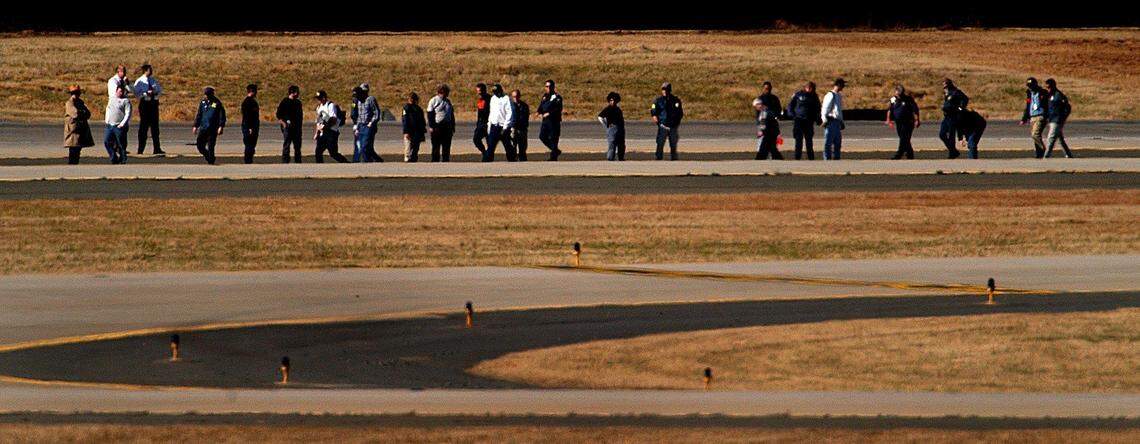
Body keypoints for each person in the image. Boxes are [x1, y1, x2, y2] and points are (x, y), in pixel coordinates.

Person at [132, 64, 164, 156]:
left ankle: (157, 148)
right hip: (145, 105)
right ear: (145, 71)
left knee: (155, 128)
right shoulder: (140, 81)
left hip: (153, 104)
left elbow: (159, 90)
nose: (151, 72)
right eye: (149, 70)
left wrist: (155, 93)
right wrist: (146, 93)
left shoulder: (153, 80)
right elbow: (137, 93)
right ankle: (140, 149)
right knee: (144, 127)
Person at [785, 81, 822, 160]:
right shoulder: (798, 95)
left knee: (809, 141)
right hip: (799, 121)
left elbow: (818, 108)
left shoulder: (814, 97)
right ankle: (797, 158)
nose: (812, 90)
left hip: (809, 122)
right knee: (799, 141)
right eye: (811, 88)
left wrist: (818, 118)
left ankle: (811, 158)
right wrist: (793, 116)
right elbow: (790, 106)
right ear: (807, 87)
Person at [192, 86, 225, 165]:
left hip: (212, 128)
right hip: (203, 127)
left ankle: (211, 161)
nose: (206, 96)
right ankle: (208, 155)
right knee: (200, 145)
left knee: (211, 146)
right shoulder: (203, 103)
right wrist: (195, 126)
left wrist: (221, 126)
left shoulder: (216, 103)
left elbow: (222, 115)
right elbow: (199, 114)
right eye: (206, 95)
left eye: (208, 94)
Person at [313, 90, 349, 163]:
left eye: (319, 98)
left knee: (333, 153)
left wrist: (325, 127)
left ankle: (346, 163)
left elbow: (333, 119)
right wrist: (317, 133)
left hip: (331, 132)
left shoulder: (330, 105)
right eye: (317, 98)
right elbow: (318, 121)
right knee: (318, 152)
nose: (318, 100)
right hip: (322, 133)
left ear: (324, 98)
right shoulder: (318, 108)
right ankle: (319, 168)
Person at [651, 82, 683, 160]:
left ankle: (674, 158)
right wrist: (655, 118)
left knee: (673, 144)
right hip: (663, 125)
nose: (664, 91)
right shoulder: (658, 101)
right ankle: (658, 157)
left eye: (666, 89)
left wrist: (677, 122)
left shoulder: (675, 100)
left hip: (673, 126)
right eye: (663, 89)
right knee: (660, 143)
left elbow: (680, 112)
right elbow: (653, 110)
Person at [886, 85, 920, 160]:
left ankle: (899, 153)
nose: (899, 95)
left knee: (904, 138)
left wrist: (917, 120)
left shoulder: (908, 99)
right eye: (898, 93)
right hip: (898, 122)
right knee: (904, 138)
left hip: (908, 122)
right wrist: (889, 120)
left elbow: (915, 110)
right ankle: (910, 153)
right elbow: (890, 110)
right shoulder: (893, 99)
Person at [1042, 78, 1074, 158]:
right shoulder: (1049, 96)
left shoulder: (1058, 95)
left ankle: (1046, 156)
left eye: (1049, 87)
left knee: (1051, 138)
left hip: (1057, 120)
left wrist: (1063, 118)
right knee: (1060, 139)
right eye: (1046, 87)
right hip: (1052, 119)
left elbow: (1068, 108)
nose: (1048, 89)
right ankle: (1068, 154)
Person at [484, 83, 515, 162]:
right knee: (490, 146)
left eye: (497, 92)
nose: (496, 94)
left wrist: (506, 126)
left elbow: (509, 113)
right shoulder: (493, 99)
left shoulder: (506, 99)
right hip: (494, 126)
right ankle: (487, 162)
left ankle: (512, 160)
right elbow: (491, 112)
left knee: (507, 146)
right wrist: (489, 125)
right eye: (494, 92)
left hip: (503, 126)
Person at [64, 85, 94, 165]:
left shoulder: (80, 102)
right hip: (73, 130)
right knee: (73, 148)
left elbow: (88, 113)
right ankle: (72, 164)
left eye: (77, 93)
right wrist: (82, 113)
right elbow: (75, 114)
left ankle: (74, 163)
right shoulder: (69, 103)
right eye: (75, 93)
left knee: (77, 148)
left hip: (81, 129)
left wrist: (82, 113)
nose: (77, 94)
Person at [351, 84, 382, 162]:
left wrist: (371, 123)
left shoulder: (370, 99)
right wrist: (356, 127)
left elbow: (376, 113)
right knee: (364, 148)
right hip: (360, 126)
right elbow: (358, 115)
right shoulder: (357, 101)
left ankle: (368, 162)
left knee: (365, 146)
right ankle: (374, 161)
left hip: (368, 126)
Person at [1020, 77, 1049, 158]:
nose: (1030, 87)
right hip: (1032, 117)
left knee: (1035, 134)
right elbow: (1028, 106)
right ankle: (1039, 153)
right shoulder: (1029, 94)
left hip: (1040, 116)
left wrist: (1048, 115)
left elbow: (1047, 105)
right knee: (1035, 136)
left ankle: (1043, 150)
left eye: (1031, 85)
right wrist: (1024, 118)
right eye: (1029, 86)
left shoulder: (1042, 93)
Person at [939, 79, 967, 159]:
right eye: (944, 86)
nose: (944, 88)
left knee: (951, 135)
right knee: (942, 134)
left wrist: (960, 108)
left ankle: (952, 153)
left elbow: (965, 99)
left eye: (946, 86)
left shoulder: (956, 92)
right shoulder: (946, 93)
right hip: (946, 116)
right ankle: (953, 150)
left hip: (953, 116)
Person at [103, 84, 131, 164]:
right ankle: (113, 157)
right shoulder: (111, 99)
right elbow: (108, 109)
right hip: (110, 125)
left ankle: (123, 159)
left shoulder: (126, 101)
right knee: (107, 141)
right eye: (119, 91)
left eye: (122, 91)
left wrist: (122, 124)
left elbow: (128, 113)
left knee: (121, 144)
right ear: (116, 91)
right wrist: (107, 120)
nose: (121, 93)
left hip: (119, 126)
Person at [427, 84, 455, 162]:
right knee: (436, 146)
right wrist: (432, 126)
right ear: (441, 92)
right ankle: (435, 161)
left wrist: (453, 127)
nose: (447, 94)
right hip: (437, 126)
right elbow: (430, 114)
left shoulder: (448, 101)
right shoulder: (433, 100)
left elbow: (451, 115)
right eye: (446, 92)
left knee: (446, 146)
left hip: (447, 126)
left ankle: (446, 160)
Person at [276, 85, 304, 163]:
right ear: (293, 92)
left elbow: (300, 116)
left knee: (297, 146)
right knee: (287, 145)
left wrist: (299, 126)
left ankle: (298, 161)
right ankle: (285, 161)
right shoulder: (285, 102)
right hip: (288, 128)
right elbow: (278, 115)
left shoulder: (298, 103)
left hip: (297, 128)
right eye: (297, 92)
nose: (298, 93)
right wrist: (284, 124)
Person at [537, 79, 563, 161]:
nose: (548, 88)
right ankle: (555, 150)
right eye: (546, 86)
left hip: (554, 121)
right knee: (542, 136)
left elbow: (558, 108)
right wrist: (539, 112)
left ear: (553, 87)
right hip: (545, 121)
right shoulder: (545, 96)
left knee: (553, 138)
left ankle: (553, 156)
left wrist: (549, 113)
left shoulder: (557, 97)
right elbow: (541, 106)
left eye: (549, 86)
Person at [821, 78, 846, 160]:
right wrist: (824, 120)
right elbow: (825, 108)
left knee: (837, 143)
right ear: (838, 85)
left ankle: (836, 158)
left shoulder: (839, 96)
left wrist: (841, 121)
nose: (843, 87)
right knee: (828, 142)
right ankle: (827, 159)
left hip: (837, 122)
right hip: (831, 121)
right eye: (842, 85)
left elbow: (838, 110)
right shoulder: (830, 95)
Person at [598, 91, 625, 161]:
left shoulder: (618, 110)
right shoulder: (608, 109)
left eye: (614, 100)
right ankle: (610, 157)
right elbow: (600, 117)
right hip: (612, 128)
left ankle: (621, 157)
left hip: (620, 128)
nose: (613, 102)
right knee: (612, 143)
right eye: (611, 100)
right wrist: (606, 125)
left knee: (621, 144)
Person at [402, 92, 427, 162]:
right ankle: (408, 159)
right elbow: (405, 120)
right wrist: (406, 131)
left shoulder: (418, 109)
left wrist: (423, 131)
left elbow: (422, 121)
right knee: (409, 147)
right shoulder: (406, 108)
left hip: (417, 131)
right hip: (410, 131)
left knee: (415, 148)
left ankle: (413, 159)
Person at [241, 84, 260, 164]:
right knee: (249, 143)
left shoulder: (253, 102)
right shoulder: (247, 102)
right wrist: (250, 127)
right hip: (249, 126)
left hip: (253, 126)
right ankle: (248, 160)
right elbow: (247, 116)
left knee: (252, 144)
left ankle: (249, 159)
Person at [510, 89, 530, 161]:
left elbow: (526, 116)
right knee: (513, 145)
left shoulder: (524, 106)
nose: (515, 98)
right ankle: (513, 159)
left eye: (517, 96)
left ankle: (522, 158)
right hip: (513, 128)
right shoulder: (509, 106)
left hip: (522, 128)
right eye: (514, 97)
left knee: (523, 146)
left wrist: (524, 126)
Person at [472, 83, 491, 154]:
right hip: (481, 123)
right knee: (476, 139)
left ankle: (489, 156)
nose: (478, 93)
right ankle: (484, 152)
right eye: (477, 91)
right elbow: (479, 113)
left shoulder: (490, 99)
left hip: (488, 123)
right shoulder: (480, 99)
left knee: (489, 142)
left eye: (480, 91)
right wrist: (478, 124)